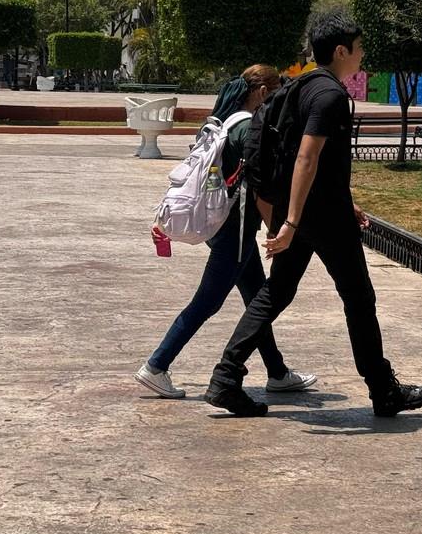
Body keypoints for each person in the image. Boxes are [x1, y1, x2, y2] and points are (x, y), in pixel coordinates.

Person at [205, 13, 422, 418]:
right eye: (359, 48)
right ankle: (383, 391)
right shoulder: (328, 95)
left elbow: (319, 165)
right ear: (341, 50)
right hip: (320, 218)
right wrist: (292, 223)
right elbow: (306, 158)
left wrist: (320, 210)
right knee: (359, 298)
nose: (362, 55)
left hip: (312, 211)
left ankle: (226, 378)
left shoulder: (301, 87)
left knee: (276, 293)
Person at [137, 65, 320, 399]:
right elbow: (260, 188)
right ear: (263, 93)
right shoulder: (248, 128)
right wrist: (278, 228)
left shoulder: (222, 121)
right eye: (277, 92)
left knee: (257, 299)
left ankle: (277, 372)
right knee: (207, 302)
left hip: (222, 227)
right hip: (233, 233)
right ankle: (156, 365)